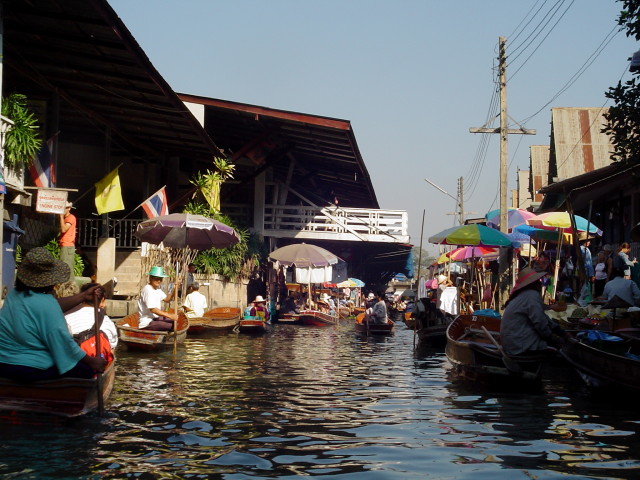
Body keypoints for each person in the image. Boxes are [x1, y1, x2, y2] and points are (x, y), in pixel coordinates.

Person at [0, 247, 106, 381]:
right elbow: (62, 342)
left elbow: (50, 307)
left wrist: (83, 296)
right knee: (85, 371)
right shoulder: (46, 303)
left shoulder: (13, 296)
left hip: (3, 363)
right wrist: (92, 361)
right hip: (30, 369)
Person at [500, 267, 568, 356]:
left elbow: (544, 318)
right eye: (538, 282)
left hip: (513, 344)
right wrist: (554, 338)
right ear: (533, 283)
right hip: (521, 347)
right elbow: (540, 323)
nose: (540, 284)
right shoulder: (531, 295)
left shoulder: (523, 296)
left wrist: (561, 332)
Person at [64, 283, 118, 360]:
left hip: (71, 360)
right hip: (96, 363)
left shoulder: (66, 316)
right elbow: (112, 348)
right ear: (102, 300)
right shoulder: (108, 322)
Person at [138, 266, 178, 331]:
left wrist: (174, 290)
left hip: (155, 318)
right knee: (170, 325)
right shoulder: (148, 289)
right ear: (150, 278)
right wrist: (170, 315)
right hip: (147, 322)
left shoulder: (158, 290)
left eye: (161, 279)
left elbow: (167, 300)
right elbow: (153, 309)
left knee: (174, 323)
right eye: (156, 279)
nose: (159, 281)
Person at [59, 201, 76, 280]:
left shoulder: (71, 218)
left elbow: (63, 229)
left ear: (69, 208)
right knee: (64, 267)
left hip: (67, 245)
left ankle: (69, 287)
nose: (62, 210)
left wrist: (61, 217)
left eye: (64, 208)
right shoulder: (66, 218)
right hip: (65, 245)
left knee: (66, 267)